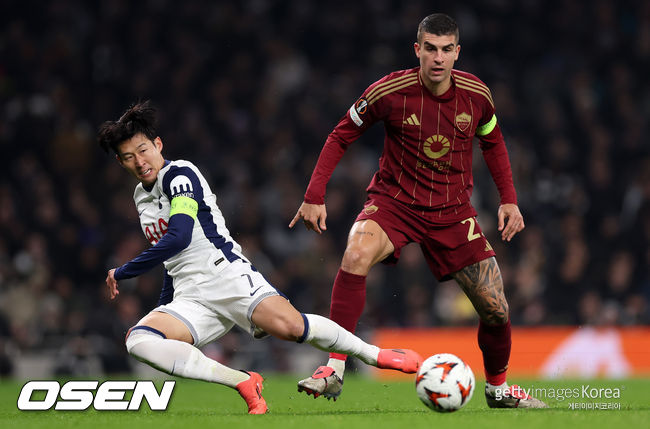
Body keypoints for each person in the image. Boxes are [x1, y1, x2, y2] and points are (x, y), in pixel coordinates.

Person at [98, 101, 422, 414]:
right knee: (140, 341)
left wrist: (124, 271)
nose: (139, 162)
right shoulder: (141, 196)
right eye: (128, 157)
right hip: (190, 296)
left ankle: (377, 355)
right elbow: (173, 258)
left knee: (293, 327)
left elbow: (180, 236)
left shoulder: (179, 174)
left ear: (158, 144)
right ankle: (242, 382)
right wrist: (165, 304)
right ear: (120, 163)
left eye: (143, 150)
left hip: (225, 276)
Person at [290, 13, 546, 408]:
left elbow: (492, 142)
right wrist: (314, 194)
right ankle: (334, 370)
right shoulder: (389, 92)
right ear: (418, 50)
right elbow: (342, 133)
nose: (438, 58)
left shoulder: (477, 95)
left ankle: (498, 390)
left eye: (446, 50)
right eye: (430, 48)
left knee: (496, 309)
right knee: (355, 253)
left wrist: (509, 199)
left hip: (454, 212)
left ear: (457, 52)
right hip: (395, 204)